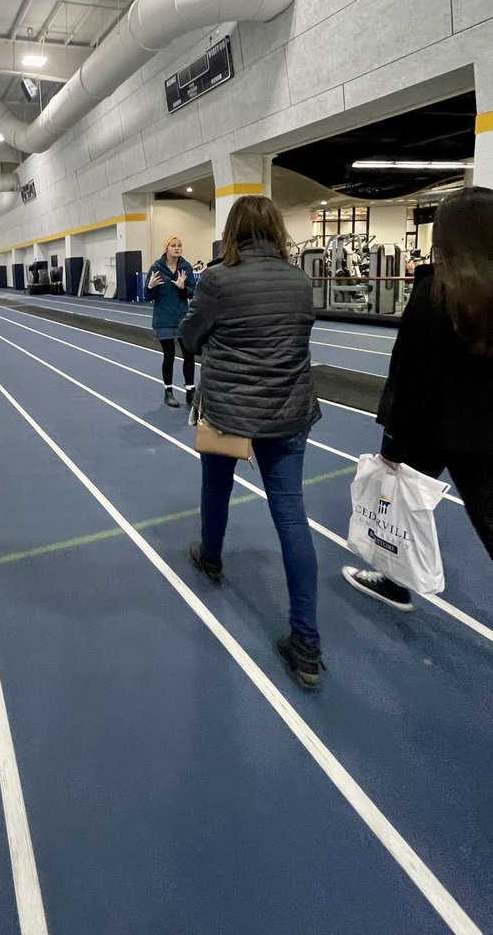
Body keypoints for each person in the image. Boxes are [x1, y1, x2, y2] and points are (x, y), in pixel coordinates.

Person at [179, 196, 324, 689]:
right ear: (277, 231)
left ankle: (212, 557)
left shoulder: (217, 279)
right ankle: (306, 645)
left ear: (234, 230)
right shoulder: (301, 281)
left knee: (216, 490)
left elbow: (189, 339)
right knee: (291, 515)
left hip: (229, 411)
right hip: (288, 413)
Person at [343, 186, 493, 609]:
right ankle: (392, 580)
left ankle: (393, 581)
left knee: (398, 509)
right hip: (484, 434)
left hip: (433, 429)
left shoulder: (436, 293)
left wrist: (393, 444)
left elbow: (413, 376)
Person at [144, 235, 198, 407]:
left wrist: (183, 288)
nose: (177, 248)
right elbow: (148, 296)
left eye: (179, 245)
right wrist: (150, 287)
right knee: (169, 356)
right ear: (166, 248)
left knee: (189, 354)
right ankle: (168, 391)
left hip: (183, 318)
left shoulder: (186, 267)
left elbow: (194, 293)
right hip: (164, 319)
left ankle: (190, 391)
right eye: (173, 245)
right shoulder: (157, 268)